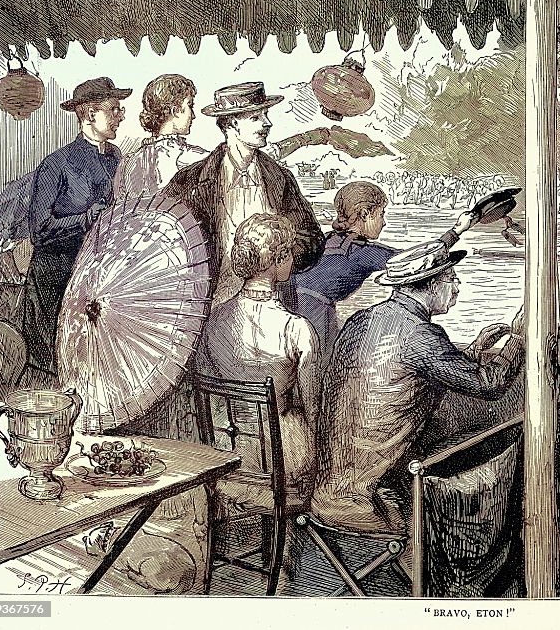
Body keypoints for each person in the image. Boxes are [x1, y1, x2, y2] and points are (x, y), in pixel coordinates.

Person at [308, 241, 524, 570]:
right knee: (502, 453)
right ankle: (459, 573)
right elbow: (490, 386)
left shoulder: (363, 320)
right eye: (451, 278)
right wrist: (519, 340)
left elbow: (417, 375)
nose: (457, 286)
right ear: (430, 285)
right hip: (369, 494)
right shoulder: (420, 334)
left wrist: (476, 348)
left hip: (332, 480)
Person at [195, 213, 321, 503]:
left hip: (225, 450)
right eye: (290, 253)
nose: (293, 260)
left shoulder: (213, 320)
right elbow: (312, 408)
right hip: (281, 459)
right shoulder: (296, 328)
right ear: (278, 260)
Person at [165, 82, 324, 307]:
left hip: (273, 305)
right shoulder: (189, 181)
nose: (267, 123)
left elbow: (312, 239)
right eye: (255, 117)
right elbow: (167, 241)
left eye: (266, 114)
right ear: (231, 123)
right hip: (210, 307)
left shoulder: (281, 179)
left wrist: (276, 260)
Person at [22, 77, 132, 374]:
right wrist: (85, 218)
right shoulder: (57, 163)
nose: (121, 116)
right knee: (56, 369)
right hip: (55, 281)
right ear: (89, 114)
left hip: (95, 282)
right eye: (114, 109)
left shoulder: (117, 159)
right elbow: (39, 230)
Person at [287, 180, 476, 351]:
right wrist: (457, 230)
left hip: (289, 300)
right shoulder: (359, 251)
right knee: (320, 363)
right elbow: (415, 261)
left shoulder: (329, 239)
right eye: (381, 214)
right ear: (364, 214)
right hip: (313, 310)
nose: (384, 222)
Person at [113, 74, 331, 199]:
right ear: (174, 111)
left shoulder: (128, 162)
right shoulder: (189, 157)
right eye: (190, 106)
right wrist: (305, 139)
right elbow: (243, 159)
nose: (194, 114)